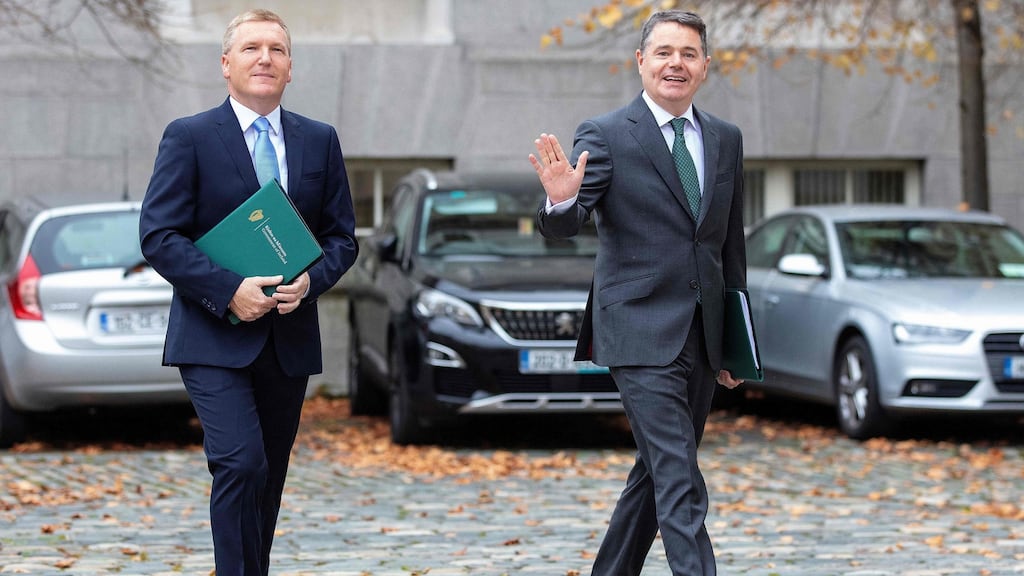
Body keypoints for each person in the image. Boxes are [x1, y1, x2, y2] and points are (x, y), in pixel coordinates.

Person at [138, 9, 358, 576]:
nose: (265, 58)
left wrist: (312, 281)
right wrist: (228, 290)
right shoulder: (188, 136)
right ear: (226, 63)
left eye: (277, 50)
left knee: (268, 478)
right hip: (212, 336)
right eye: (252, 48)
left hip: (286, 340)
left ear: (290, 69)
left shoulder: (318, 139)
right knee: (240, 463)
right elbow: (158, 235)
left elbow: (341, 239)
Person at [529, 10, 745, 576]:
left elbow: (730, 245)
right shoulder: (604, 134)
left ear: (704, 67)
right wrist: (560, 201)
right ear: (641, 62)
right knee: (679, 474)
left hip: (701, 334)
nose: (677, 63)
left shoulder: (725, 138)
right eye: (665, 52)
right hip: (638, 330)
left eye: (689, 54)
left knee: (656, 473)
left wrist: (736, 345)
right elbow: (565, 225)